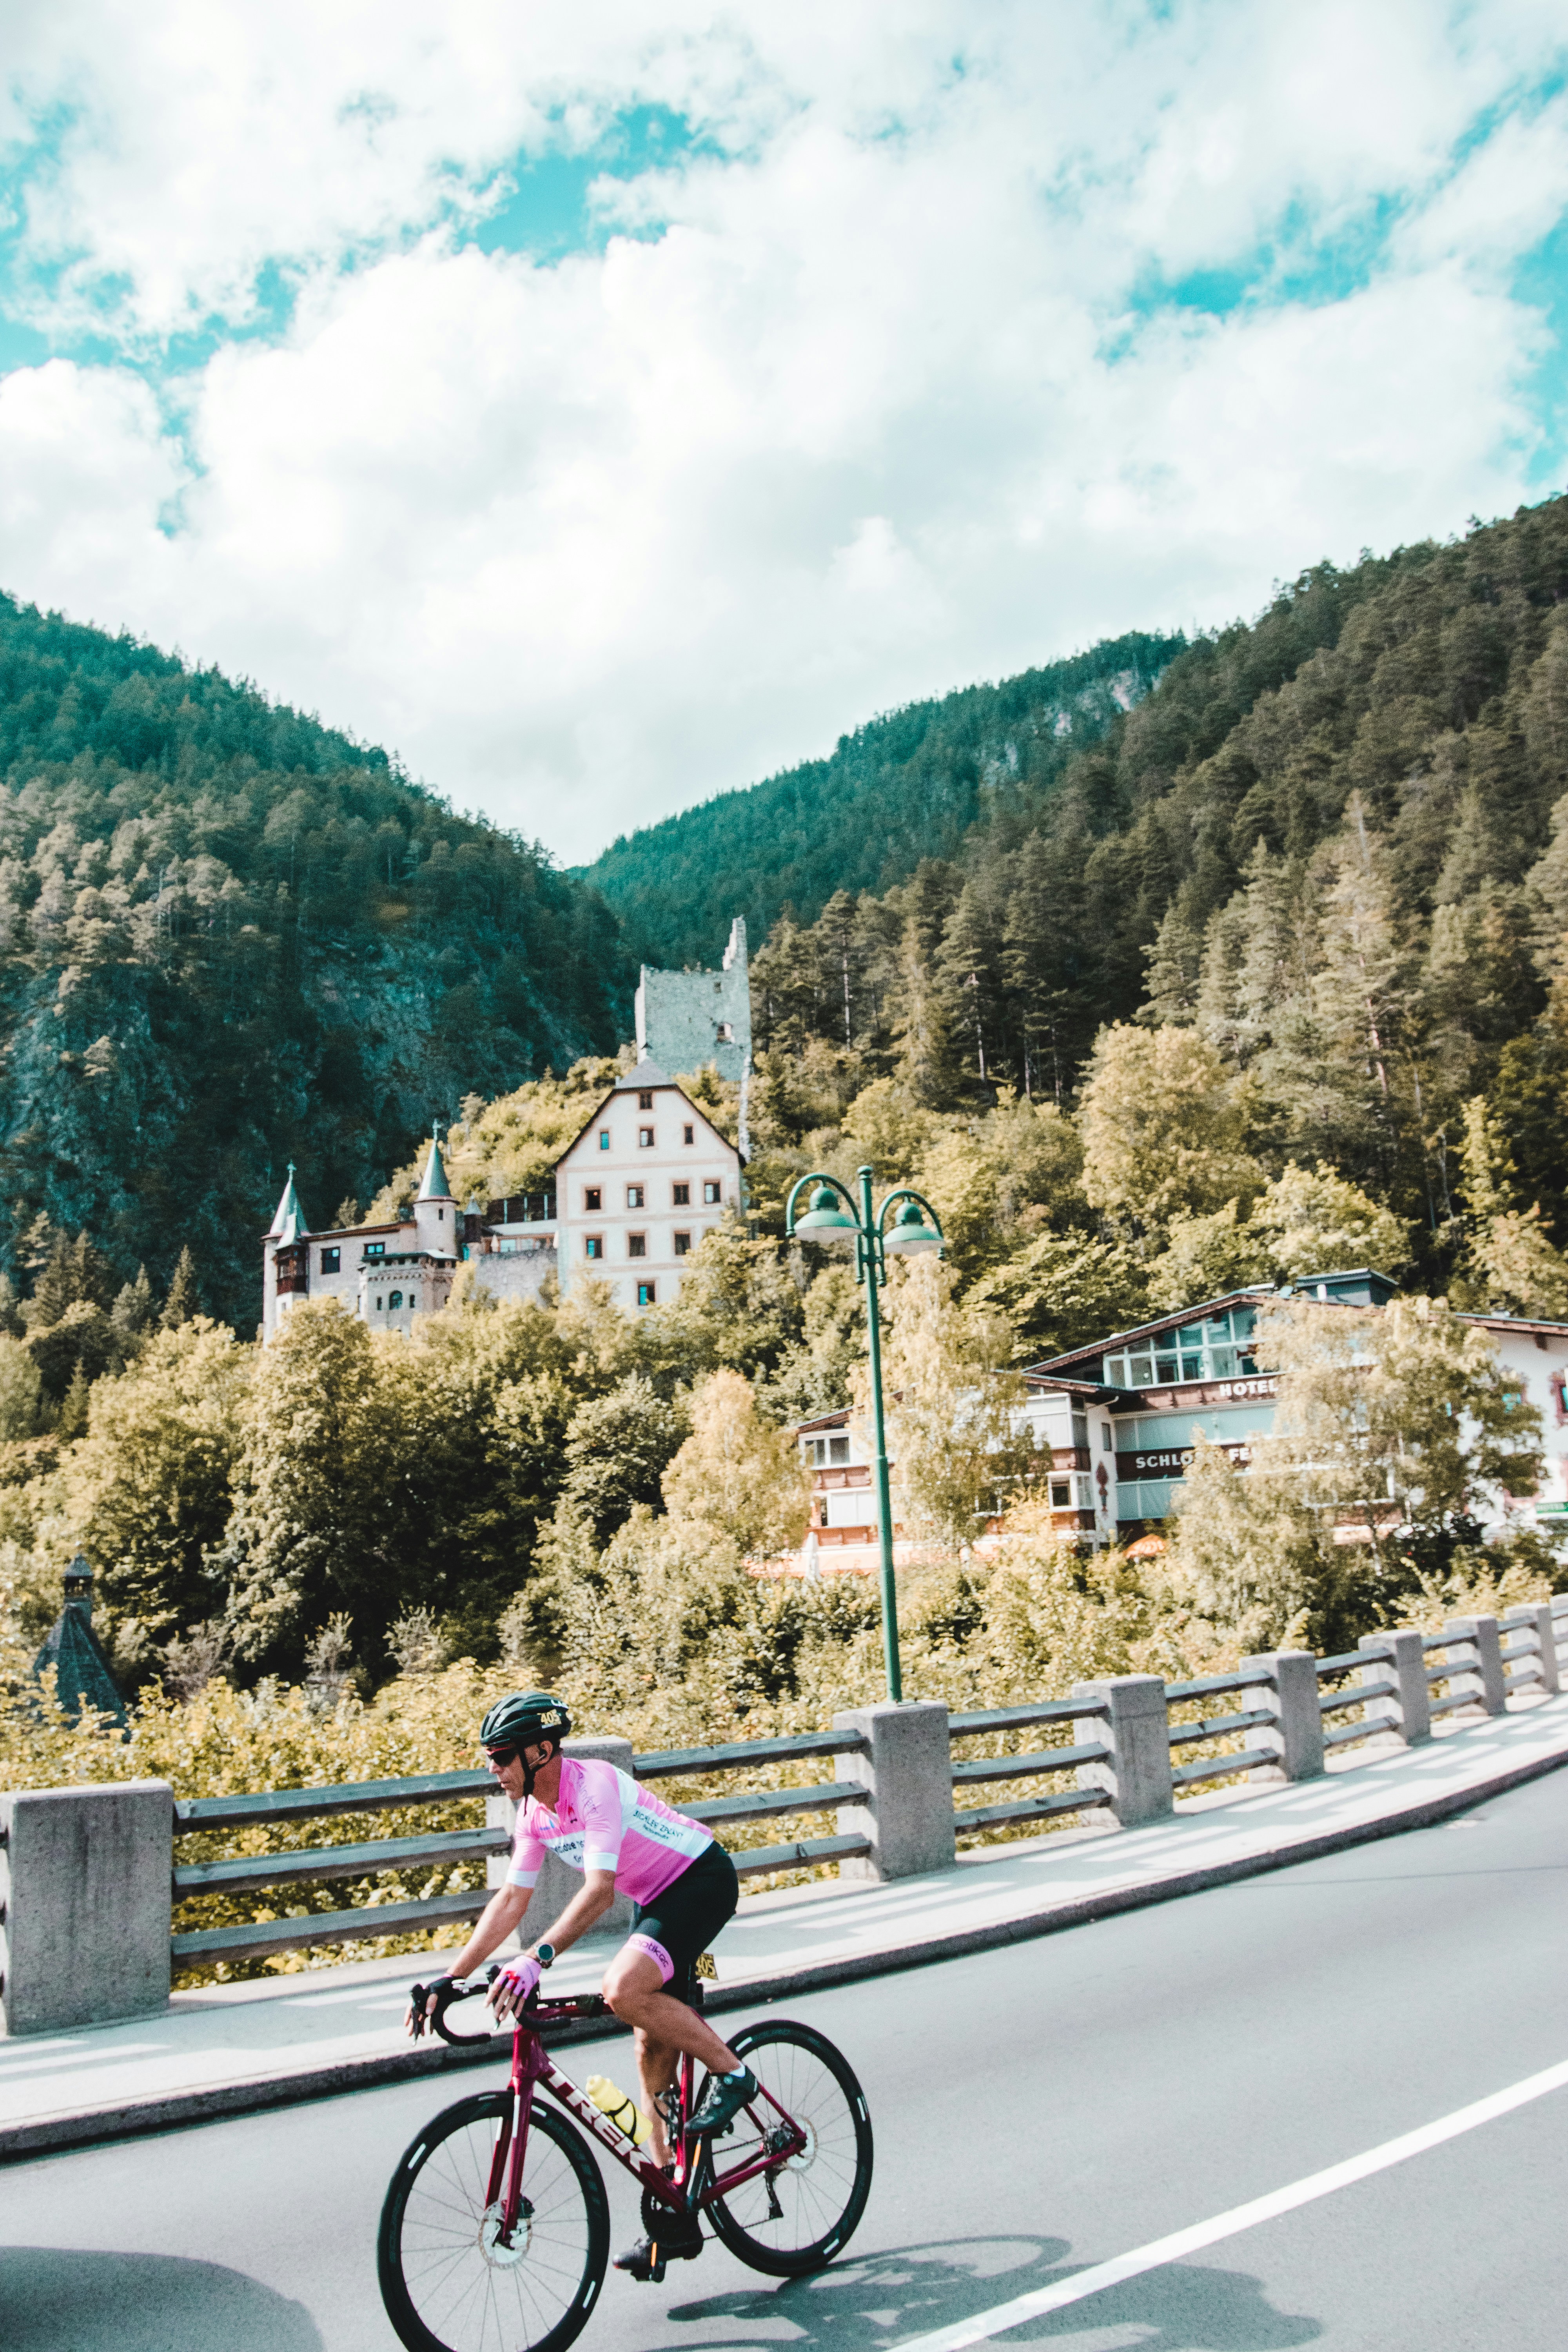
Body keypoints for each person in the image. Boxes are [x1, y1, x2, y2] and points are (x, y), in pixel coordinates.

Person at [406, 1689, 755, 2281]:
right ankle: (674, 2211)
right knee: (648, 2041)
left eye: (501, 1756)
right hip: (656, 1900)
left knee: (623, 1990)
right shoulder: (532, 1813)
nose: (492, 1769)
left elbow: (598, 1892)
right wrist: (450, 1975)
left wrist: (536, 1959)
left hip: (700, 1879)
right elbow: (512, 1899)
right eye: (490, 1757)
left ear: (541, 1752)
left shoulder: (593, 1787)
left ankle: (735, 2076)